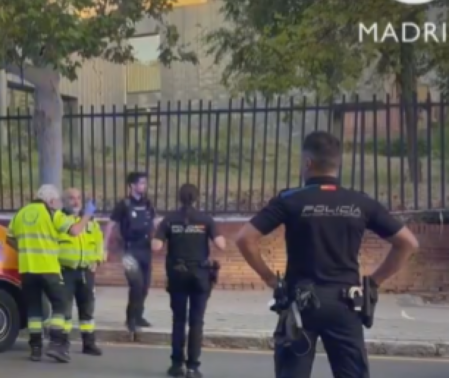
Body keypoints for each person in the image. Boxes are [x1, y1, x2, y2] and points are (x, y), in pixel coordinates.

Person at [234, 131, 419, 378]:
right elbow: (408, 243)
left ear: (308, 163)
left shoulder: (290, 200)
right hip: (345, 305)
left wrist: (270, 278)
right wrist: (373, 282)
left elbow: (245, 238)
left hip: (300, 303)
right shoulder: (359, 202)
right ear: (337, 163)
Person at [8, 184, 95, 363]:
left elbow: (8, 237)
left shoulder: (21, 214)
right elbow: (75, 231)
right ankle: (56, 344)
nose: (56, 205)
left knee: (34, 311)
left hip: (27, 270)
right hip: (48, 268)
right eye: (55, 201)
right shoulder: (51, 213)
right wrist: (87, 215)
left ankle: (36, 349)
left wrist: (25, 250)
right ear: (49, 200)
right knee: (61, 304)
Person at [152, 184, 226, 378]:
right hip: (200, 275)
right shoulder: (205, 220)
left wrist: (158, 230)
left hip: (177, 274)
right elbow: (221, 245)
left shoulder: (169, 220)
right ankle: (193, 366)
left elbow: (156, 246)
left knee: (178, 320)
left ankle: (177, 365)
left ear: (179, 198)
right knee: (196, 321)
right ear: (197, 198)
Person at [58, 188, 104, 356]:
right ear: (64, 201)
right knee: (65, 310)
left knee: (87, 309)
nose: (76, 201)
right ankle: (62, 344)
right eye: (71, 198)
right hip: (66, 271)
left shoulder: (91, 222)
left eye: (78, 198)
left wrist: (97, 260)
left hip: (86, 271)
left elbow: (99, 242)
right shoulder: (60, 219)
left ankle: (89, 343)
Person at [110, 171, 157, 331]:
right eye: (141, 183)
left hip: (145, 249)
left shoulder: (148, 203)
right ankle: (130, 318)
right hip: (130, 251)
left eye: (145, 183)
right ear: (132, 185)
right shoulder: (124, 204)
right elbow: (111, 225)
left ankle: (139, 316)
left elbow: (154, 223)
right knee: (136, 284)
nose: (144, 186)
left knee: (145, 285)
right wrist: (105, 246)